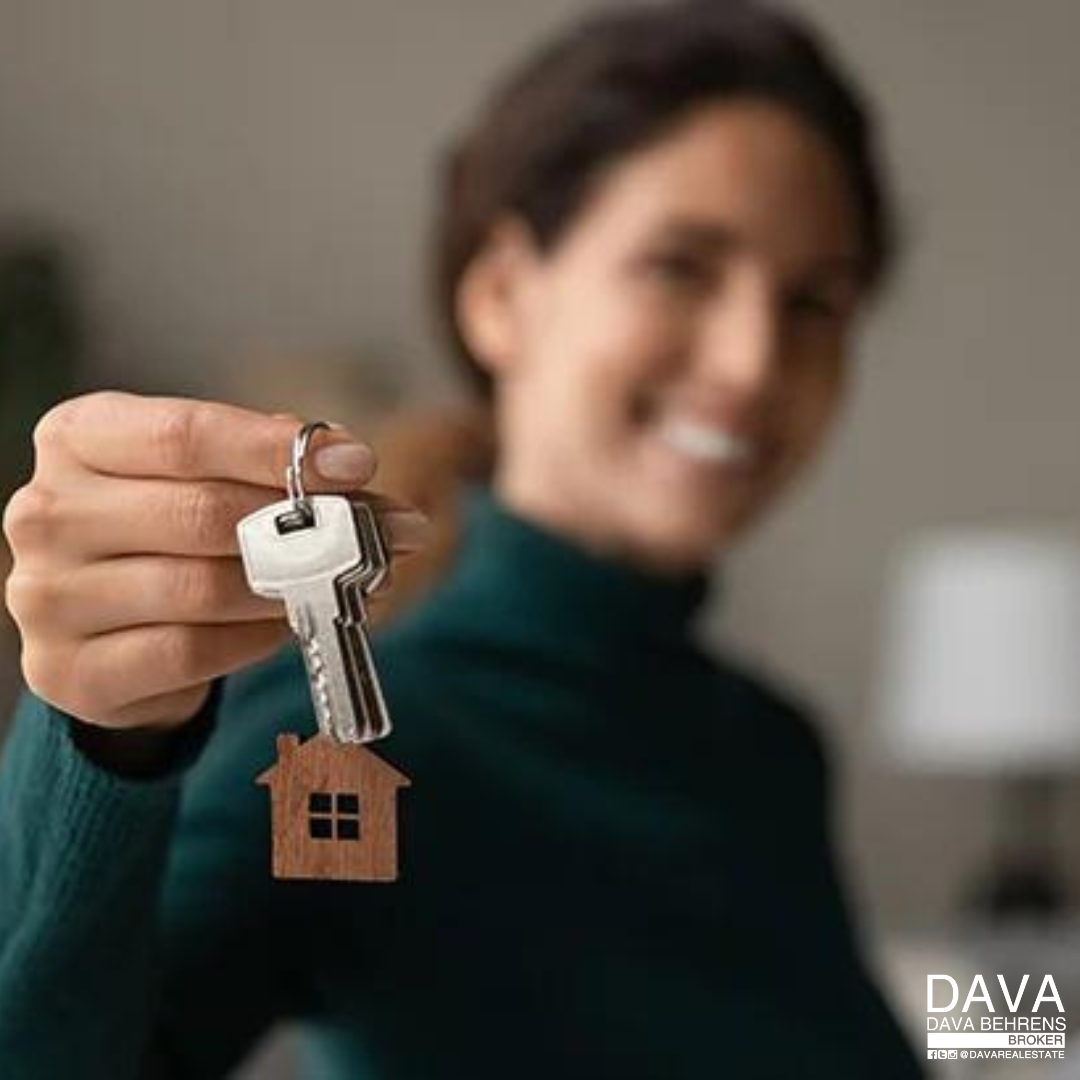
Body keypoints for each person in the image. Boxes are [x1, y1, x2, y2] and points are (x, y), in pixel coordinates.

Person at [0, 1, 925, 1077]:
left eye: (815, 301)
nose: (756, 360)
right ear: (499, 295)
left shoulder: (770, 749)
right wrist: (105, 743)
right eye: (683, 265)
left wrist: (1029, 1017)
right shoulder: (347, 751)